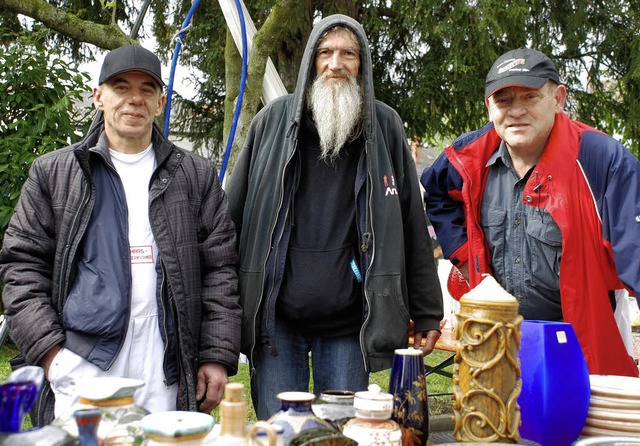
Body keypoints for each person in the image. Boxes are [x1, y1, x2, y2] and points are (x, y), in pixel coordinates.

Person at [0, 45, 242, 425]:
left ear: (161, 102)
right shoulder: (55, 173)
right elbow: (21, 267)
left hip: (165, 360)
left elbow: (220, 270)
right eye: (120, 86)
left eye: (147, 89)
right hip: (83, 359)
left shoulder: (195, 176)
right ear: (99, 97)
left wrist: (215, 355)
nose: (134, 99)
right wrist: (52, 355)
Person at [226, 14, 444, 420]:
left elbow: (412, 223)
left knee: (341, 432)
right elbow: (229, 222)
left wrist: (428, 309)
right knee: (279, 431)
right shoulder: (269, 124)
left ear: (362, 66)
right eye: (325, 52)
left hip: (350, 324)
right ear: (311, 61)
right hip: (276, 323)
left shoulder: (385, 127)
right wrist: (221, 316)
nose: (335, 63)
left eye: (348, 54)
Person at [421, 47, 640, 377]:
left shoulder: (602, 160)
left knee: (580, 429)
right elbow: (437, 195)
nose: (516, 111)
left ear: (558, 99)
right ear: (489, 107)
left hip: (579, 350)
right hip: (496, 346)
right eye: (504, 100)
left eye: (530, 97)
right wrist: (467, 261)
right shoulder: (469, 155)